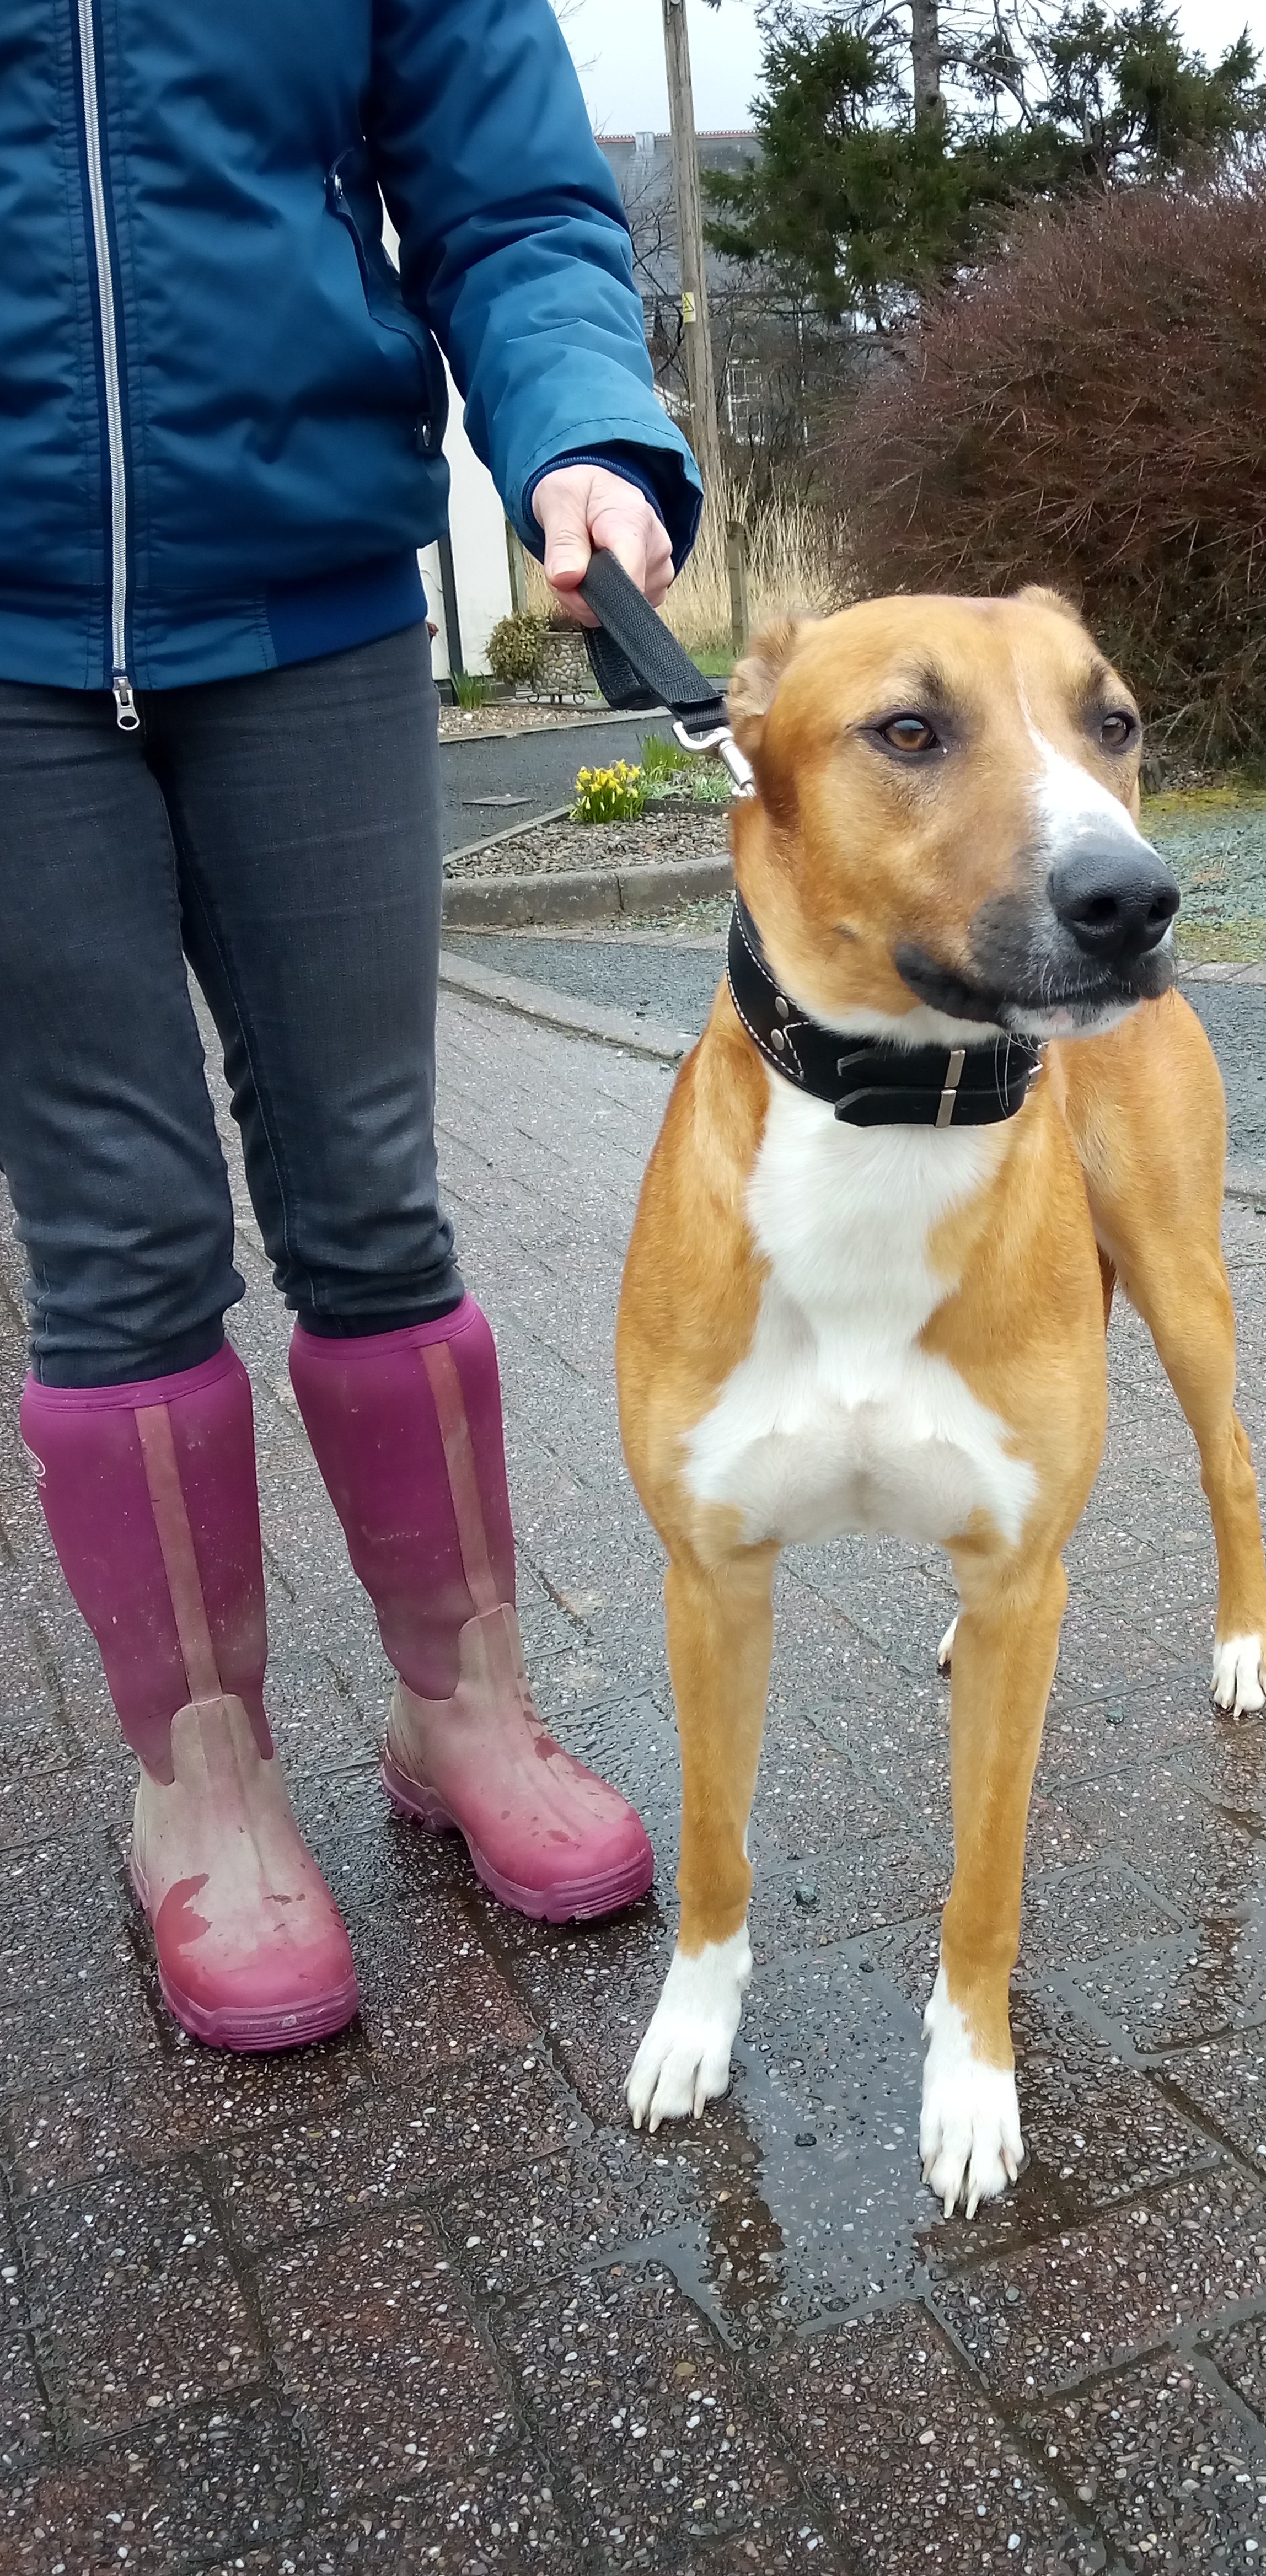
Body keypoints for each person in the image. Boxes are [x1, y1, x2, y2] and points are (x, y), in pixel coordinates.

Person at [1, 0, 701, 2050]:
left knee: (375, 1197)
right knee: (117, 1233)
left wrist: (578, 425)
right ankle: (197, 1786)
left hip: (308, 591)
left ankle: (461, 1702)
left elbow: (511, 196)